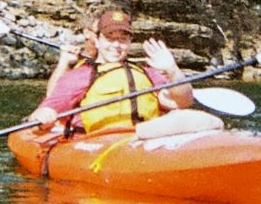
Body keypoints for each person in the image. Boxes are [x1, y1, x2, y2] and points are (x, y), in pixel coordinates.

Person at [28, 8, 193, 134]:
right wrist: (42, 118)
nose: (116, 45)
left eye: (122, 39)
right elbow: (44, 111)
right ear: (97, 41)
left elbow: (182, 102)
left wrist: (173, 71)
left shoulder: (146, 73)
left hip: (143, 138)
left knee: (206, 121)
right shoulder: (80, 76)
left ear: (129, 43)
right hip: (97, 142)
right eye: (110, 38)